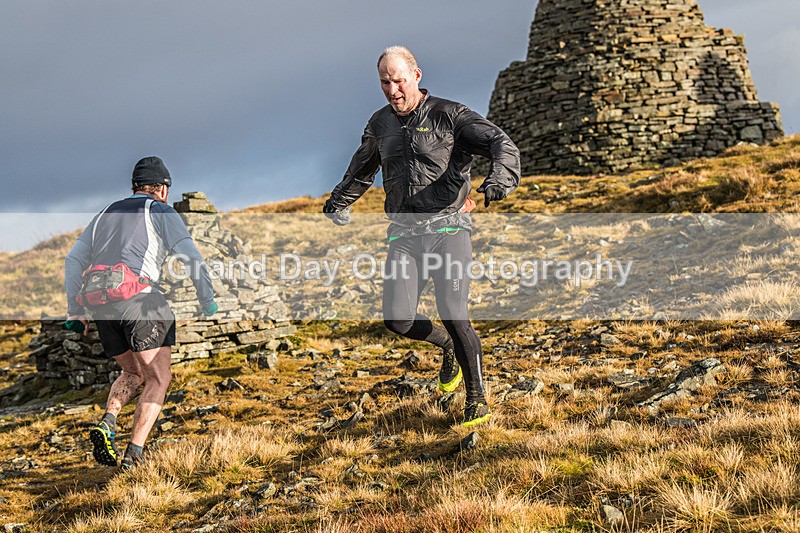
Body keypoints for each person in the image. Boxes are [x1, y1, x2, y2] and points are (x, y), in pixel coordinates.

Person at [323, 46, 520, 426]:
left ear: (416, 75)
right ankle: (447, 349)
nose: (393, 90)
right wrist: (338, 202)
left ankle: (476, 399)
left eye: (399, 80)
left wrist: (499, 179)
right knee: (396, 320)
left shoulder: (451, 115)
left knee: (454, 312)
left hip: (448, 229)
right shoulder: (380, 124)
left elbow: (500, 143)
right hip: (405, 234)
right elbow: (362, 169)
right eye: (385, 82)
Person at [64, 156, 217, 469]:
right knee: (158, 378)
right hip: (141, 301)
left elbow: (72, 261)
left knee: (133, 372)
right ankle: (133, 455)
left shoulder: (104, 214)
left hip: (101, 305)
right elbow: (189, 255)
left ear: (135, 186)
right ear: (162, 189)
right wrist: (206, 297)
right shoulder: (159, 209)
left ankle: (108, 421)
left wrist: (74, 309)